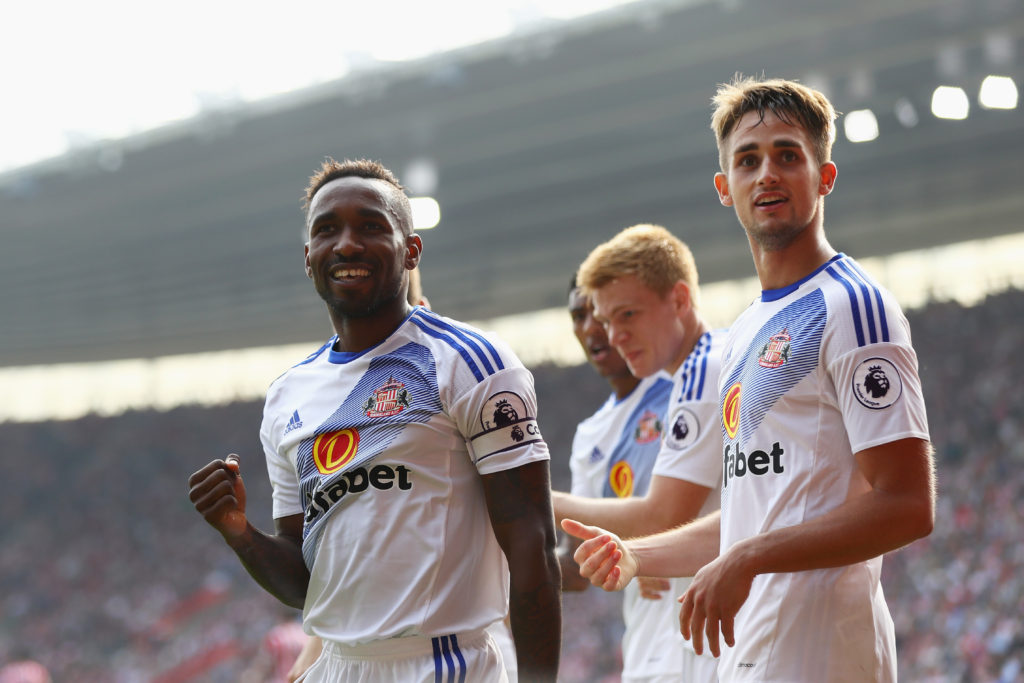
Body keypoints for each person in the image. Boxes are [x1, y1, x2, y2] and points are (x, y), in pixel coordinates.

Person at [565, 76, 935, 682]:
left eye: (788, 155)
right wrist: (637, 554)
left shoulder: (853, 306)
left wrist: (750, 558)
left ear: (825, 176)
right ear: (724, 187)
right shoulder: (743, 333)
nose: (767, 174)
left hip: (823, 655)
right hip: (746, 652)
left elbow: (908, 505)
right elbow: (748, 515)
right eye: (748, 160)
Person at [188, 158, 561, 682]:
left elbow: (531, 544)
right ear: (308, 257)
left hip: (442, 662)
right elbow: (304, 583)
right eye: (327, 230)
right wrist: (239, 532)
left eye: (370, 226)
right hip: (337, 666)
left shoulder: (469, 360)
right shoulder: (287, 395)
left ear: (411, 250)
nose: (346, 245)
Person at [284, 267, 521, 683]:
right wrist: (319, 644)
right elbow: (363, 545)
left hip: (450, 647)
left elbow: (525, 529)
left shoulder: (459, 380)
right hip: (355, 655)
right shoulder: (318, 405)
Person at [555, 225, 724, 682]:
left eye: (625, 315)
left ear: (679, 300)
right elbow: (580, 557)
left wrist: (530, 494)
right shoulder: (592, 432)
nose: (608, 334)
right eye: (596, 318)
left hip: (716, 641)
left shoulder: (705, 369)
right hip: (657, 647)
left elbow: (663, 516)